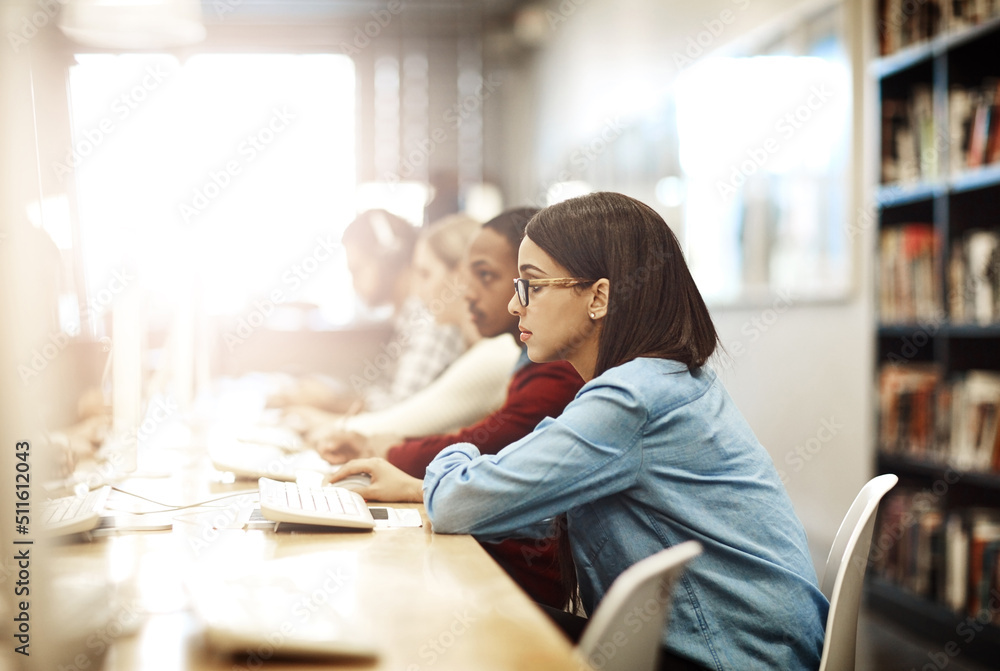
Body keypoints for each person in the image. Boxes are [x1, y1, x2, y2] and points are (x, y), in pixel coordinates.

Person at [348, 193, 828, 671]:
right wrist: (420, 488)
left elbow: (457, 504)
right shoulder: (667, 378)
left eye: (531, 285)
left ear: (598, 297)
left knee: (460, 617)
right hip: (755, 647)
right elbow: (534, 502)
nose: (516, 305)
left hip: (726, 658)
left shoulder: (630, 398)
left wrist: (458, 461)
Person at [324, 207, 585, 609]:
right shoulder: (526, 359)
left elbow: (496, 447)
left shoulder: (547, 368)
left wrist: (385, 450)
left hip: (538, 589)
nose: (464, 293)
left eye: (486, 277)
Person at [296, 214, 521, 439]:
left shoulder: (496, 353)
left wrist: (331, 427)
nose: (419, 293)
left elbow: (408, 423)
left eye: (425, 274)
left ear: (459, 276)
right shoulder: (485, 349)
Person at [268, 209, 466, 414]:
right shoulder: (406, 321)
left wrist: (327, 403)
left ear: (389, 258)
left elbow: (400, 412)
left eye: (357, 270)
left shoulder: (429, 321)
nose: (353, 284)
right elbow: (389, 395)